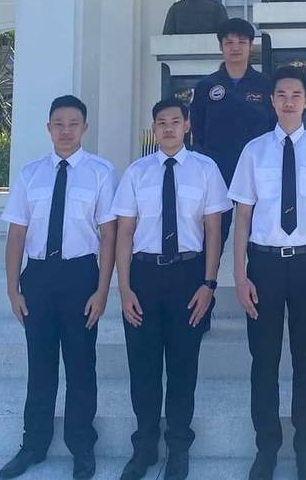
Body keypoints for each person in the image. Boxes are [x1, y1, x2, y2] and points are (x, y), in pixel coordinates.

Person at [229, 65, 306, 480]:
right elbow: (243, 216)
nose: (289, 101)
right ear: (272, 100)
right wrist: (239, 274)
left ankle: (305, 446)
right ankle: (267, 447)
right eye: (281, 94)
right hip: (264, 266)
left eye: (296, 94)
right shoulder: (253, 151)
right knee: (264, 360)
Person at [0, 95, 118, 480]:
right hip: (38, 277)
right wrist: (13, 289)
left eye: (73, 124)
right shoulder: (30, 174)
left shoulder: (101, 172)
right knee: (40, 365)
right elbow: (17, 235)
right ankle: (33, 444)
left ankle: (81, 446)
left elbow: (109, 236)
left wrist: (102, 290)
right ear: (49, 128)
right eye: (59, 124)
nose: (66, 131)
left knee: (81, 365)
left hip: (80, 276)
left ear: (85, 128)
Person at [113, 98, 231, 480]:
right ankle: (145, 447)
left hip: (188, 276)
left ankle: (179, 446)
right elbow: (124, 233)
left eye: (175, 121)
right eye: (161, 122)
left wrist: (209, 284)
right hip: (144, 276)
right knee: (143, 366)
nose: (168, 128)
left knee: (183, 366)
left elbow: (214, 231)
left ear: (187, 126)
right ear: (154, 128)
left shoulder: (206, 169)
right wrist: (124, 287)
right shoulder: (136, 172)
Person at [190, 17, 276, 248]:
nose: (235, 48)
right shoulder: (206, 86)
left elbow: (273, 127)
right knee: (213, 234)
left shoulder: (266, 85)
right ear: (221, 47)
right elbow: (197, 128)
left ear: (250, 45)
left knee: (258, 233)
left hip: (256, 169)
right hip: (218, 169)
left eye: (241, 42)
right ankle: (209, 273)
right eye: (229, 42)